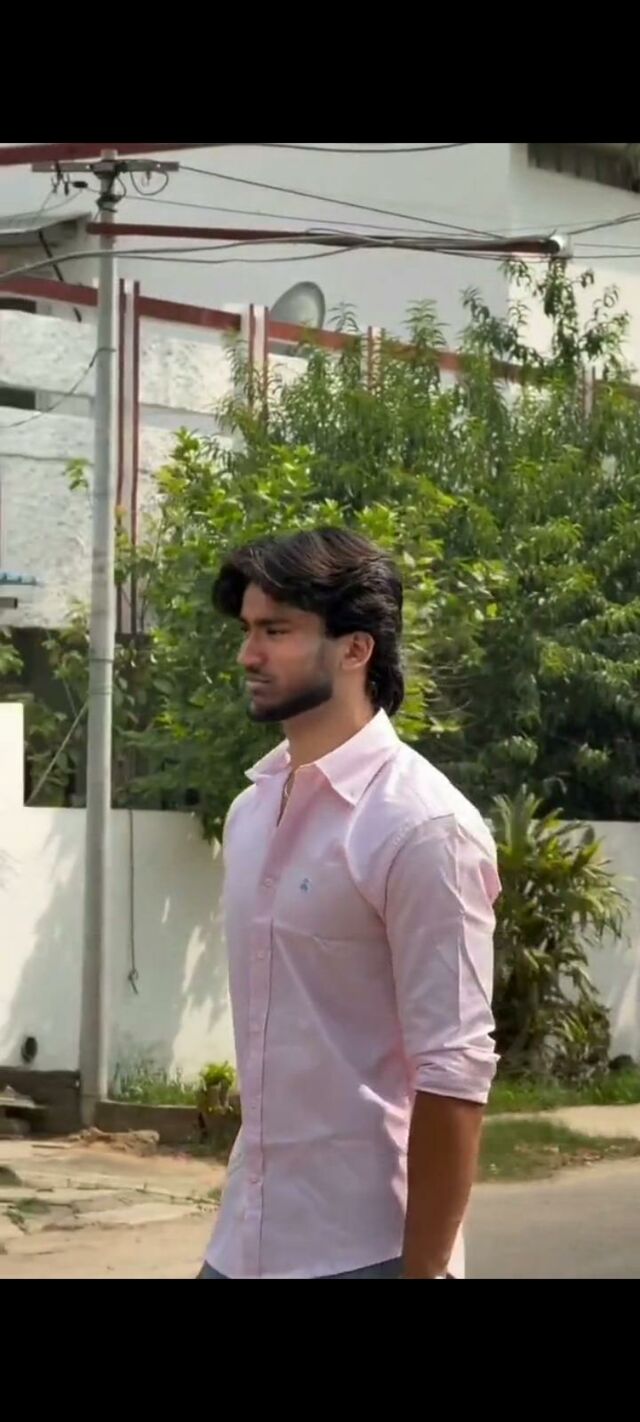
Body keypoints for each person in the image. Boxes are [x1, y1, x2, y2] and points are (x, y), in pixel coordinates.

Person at [198, 527, 499, 1280]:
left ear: (355, 648)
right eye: (247, 631)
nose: (248, 655)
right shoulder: (250, 813)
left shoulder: (423, 827)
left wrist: (423, 1272)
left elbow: (454, 1073)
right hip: (244, 1241)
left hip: (366, 1250)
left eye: (276, 631)